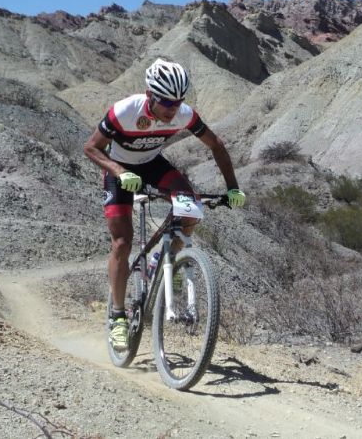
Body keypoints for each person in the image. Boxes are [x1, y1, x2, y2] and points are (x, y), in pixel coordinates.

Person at [83, 58, 246, 351]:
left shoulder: (184, 114)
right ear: (149, 96)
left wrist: (233, 188)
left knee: (191, 206)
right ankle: (117, 317)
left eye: (178, 102)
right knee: (122, 242)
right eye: (166, 102)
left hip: (153, 165)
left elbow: (216, 145)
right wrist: (119, 172)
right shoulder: (125, 111)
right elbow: (90, 147)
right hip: (119, 168)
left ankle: (165, 260)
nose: (172, 109)